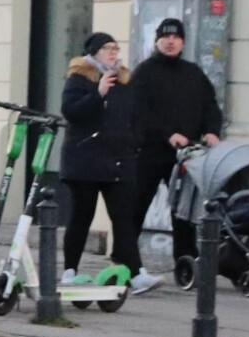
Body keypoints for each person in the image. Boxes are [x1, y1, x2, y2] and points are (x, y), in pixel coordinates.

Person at [128, 17, 223, 286]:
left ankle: (185, 263)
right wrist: (168, 134)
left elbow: (210, 106)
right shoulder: (145, 72)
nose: (170, 42)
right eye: (165, 37)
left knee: (184, 212)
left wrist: (212, 130)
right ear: (157, 40)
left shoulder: (193, 73)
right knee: (136, 207)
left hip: (186, 155)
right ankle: (127, 261)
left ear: (182, 42)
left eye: (176, 37)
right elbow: (141, 112)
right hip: (149, 153)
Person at [58, 32, 142, 283]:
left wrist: (134, 144)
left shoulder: (124, 80)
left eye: (116, 48)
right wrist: (98, 93)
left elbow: (135, 115)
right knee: (82, 216)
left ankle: (136, 274)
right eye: (107, 48)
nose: (113, 53)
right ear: (94, 52)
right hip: (85, 159)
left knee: (123, 218)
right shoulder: (79, 78)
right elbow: (71, 112)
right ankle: (70, 270)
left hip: (117, 159)